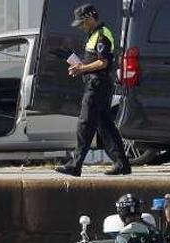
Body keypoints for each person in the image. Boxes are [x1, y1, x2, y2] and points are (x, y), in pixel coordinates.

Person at [55, 4, 131, 177]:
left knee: (85, 124)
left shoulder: (102, 34)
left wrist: (81, 69)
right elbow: (93, 60)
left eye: (82, 23)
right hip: (97, 84)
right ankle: (122, 164)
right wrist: (79, 64)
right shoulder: (94, 35)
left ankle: (76, 164)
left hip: (98, 85)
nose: (81, 27)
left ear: (90, 18)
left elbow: (103, 62)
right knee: (105, 126)